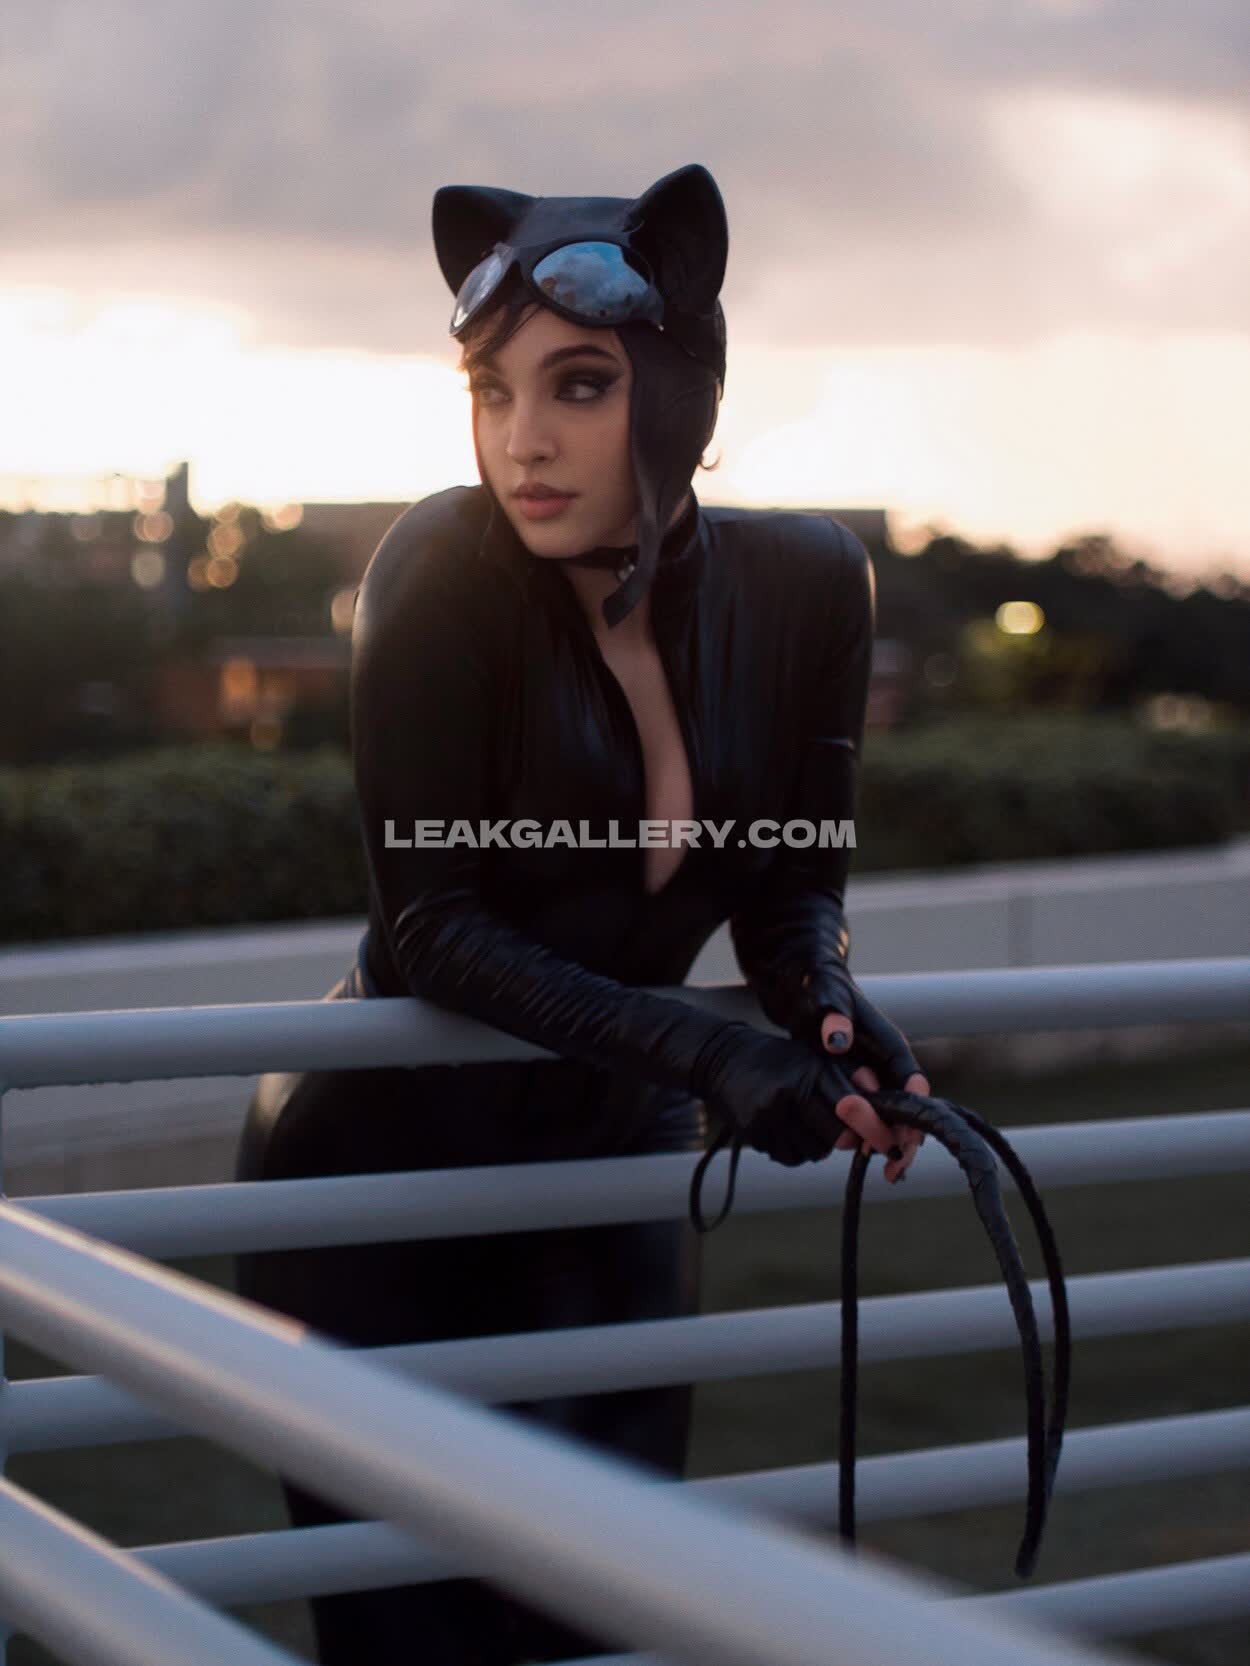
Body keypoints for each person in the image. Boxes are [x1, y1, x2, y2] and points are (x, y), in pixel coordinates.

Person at [233, 162, 930, 1666]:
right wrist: (712, 1052)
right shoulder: (437, 567)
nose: (522, 440)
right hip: (379, 1179)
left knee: (601, 1607)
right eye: (491, 390)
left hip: (616, 1157)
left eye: (581, 385)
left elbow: (792, 883)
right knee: (408, 1629)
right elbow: (432, 927)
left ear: (682, 389)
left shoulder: (812, 582)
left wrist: (819, 1006)